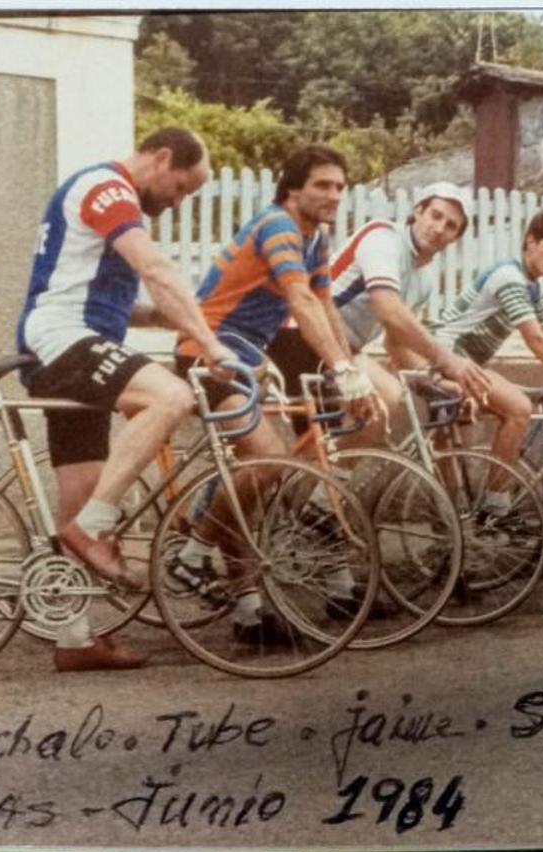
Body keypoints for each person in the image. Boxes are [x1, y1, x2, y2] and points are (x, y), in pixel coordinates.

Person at [16, 126, 237, 671]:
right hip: (62, 341)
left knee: (83, 487)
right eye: (182, 187)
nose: (178, 200)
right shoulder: (108, 188)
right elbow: (155, 270)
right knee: (171, 397)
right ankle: (95, 527)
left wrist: (164, 317)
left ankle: (73, 639)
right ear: (161, 158)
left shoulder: (102, 197)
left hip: (70, 341)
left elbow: (105, 295)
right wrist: (207, 344)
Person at [172, 144, 381, 645]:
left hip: (244, 353)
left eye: (339, 187)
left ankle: (248, 611)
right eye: (322, 186)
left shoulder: (318, 238)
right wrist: (341, 369)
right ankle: (194, 550)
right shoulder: (277, 226)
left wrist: (348, 370)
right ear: (293, 189)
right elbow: (300, 299)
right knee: (268, 462)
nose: (333, 195)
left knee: (258, 475)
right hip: (211, 348)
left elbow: (327, 307)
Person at [265, 181, 493, 437]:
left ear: (455, 238)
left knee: (387, 402)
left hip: (344, 348)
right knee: (330, 433)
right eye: (435, 215)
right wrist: (448, 360)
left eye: (450, 226)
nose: (439, 228)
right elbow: (389, 310)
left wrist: (435, 382)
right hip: (302, 335)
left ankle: (329, 473)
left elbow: (396, 344)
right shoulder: (383, 238)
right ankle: (316, 471)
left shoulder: (425, 278)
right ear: (418, 211)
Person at [433, 208, 543, 524]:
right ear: (530, 242)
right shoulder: (509, 277)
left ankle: (453, 527)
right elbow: (536, 340)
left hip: (465, 364)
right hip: (447, 358)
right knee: (518, 409)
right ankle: (495, 507)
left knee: (451, 452)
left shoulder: (532, 286)